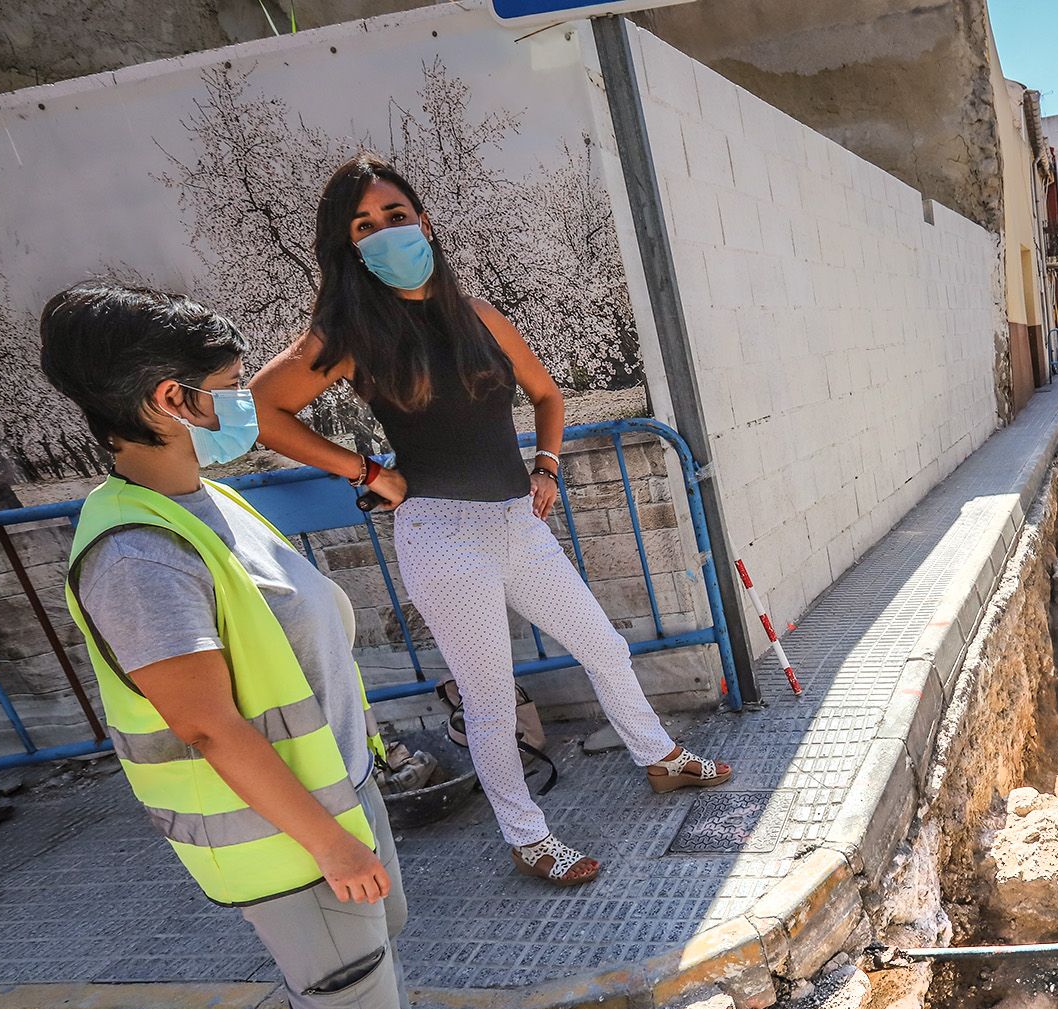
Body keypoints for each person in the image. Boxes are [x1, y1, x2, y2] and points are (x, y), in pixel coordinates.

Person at [42, 282, 519, 1009]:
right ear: (170, 403)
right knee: (340, 999)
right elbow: (210, 726)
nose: (245, 403)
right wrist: (332, 844)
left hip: (332, 791)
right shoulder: (138, 554)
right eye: (227, 385)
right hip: (284, 833)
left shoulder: (199, 498)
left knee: (376, 953)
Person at [252, 155, 731, 888]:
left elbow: (545, 393)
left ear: (425, 222)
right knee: (491, 696)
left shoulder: (476, 316)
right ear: (347, 247)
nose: (385, 232)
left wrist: (546, 464)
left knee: (603, 645)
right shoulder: (350, 334)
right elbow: (261, 409)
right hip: (441, 532)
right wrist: (367, 472)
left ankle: (659, 756)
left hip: (517, 522)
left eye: (396, 215)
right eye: (364, 226)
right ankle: (527, 835)